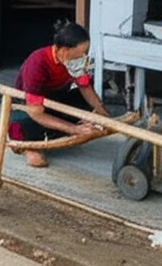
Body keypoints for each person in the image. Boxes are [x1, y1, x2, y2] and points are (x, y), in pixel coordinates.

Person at [9, 22, 110, 168]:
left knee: (83, 98)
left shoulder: (74, 63)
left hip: (54, 99)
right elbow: (36, 112)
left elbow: (85, 87)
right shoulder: (38, 63)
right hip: (30, 107)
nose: (80, 58)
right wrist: (74, 129)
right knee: (23, 124)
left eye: (83, 54)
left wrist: (104, 115)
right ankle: (29, 147)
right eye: (77, 55)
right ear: (61, 50)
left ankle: (64, 129)